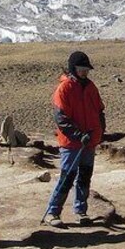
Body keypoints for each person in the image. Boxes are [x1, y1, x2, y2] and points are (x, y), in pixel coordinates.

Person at [44, 51, 106, 228]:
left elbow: (99, 110)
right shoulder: (64, 88)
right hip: (71, 143)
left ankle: (81, 211)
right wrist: (79, 135)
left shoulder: (91, 87)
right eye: (81, 69)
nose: (85, 72)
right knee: (67, 176)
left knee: (85, 176)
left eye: (86, 69)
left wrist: (99, 132)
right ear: (73, 68)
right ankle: (53, 212)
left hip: (89, 141)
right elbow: (61, 118)